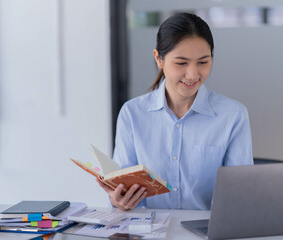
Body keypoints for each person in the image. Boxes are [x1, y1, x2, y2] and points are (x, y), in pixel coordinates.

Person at [97, 12, 253, 210]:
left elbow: (240, 195)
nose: (193, 74)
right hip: (148, 231)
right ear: (159, 59)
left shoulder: (233, 116)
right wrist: (118, 200)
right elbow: (123, 187)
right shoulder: (132, 114)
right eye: (181, 63)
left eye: (203, 62)